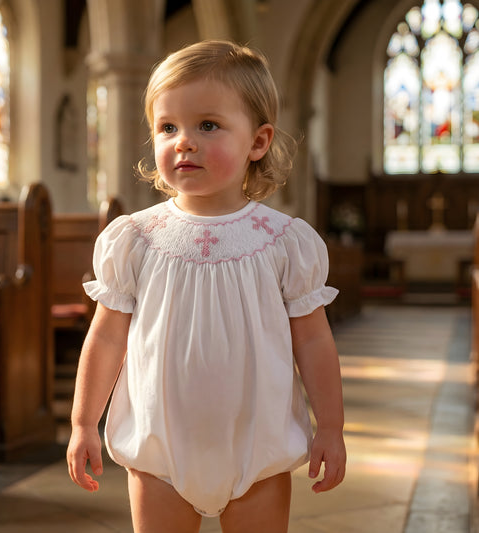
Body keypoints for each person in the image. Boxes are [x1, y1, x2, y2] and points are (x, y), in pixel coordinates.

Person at [67, 40, 346, 533]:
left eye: (208, 125)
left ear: (258, 142)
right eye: (167, 127)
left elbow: (314, 339)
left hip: (255, 448)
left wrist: (331, 426)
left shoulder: (282, 242)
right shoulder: (135, 239)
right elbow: (107, 336)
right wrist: (83, 422)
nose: (184, 141)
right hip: (161, 447)